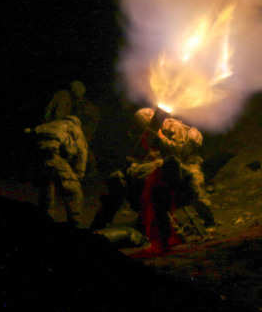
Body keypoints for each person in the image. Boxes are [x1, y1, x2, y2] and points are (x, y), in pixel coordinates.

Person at [90, 107, 215, 252]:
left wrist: (159, 137)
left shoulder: (172, 126)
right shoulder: (154, 131)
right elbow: (152, 153)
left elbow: (178, 151)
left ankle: (209, 222)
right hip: (169, 163)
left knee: (195, 187)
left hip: (187, 162)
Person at [25, 115, 88, 227]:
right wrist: (79, 174)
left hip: (39, 158)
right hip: (53, 155)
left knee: (47, 190)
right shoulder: (74, 128)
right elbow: (82, 151)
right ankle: (76, 225)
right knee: (73, 191)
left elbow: (30, 132)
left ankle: (45, 223)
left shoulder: (51, 124)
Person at [44, 80, 100, 175]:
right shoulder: (64, 97)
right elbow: (58, 116)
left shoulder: (69, 98)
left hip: (55, 128)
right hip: (55, 129)